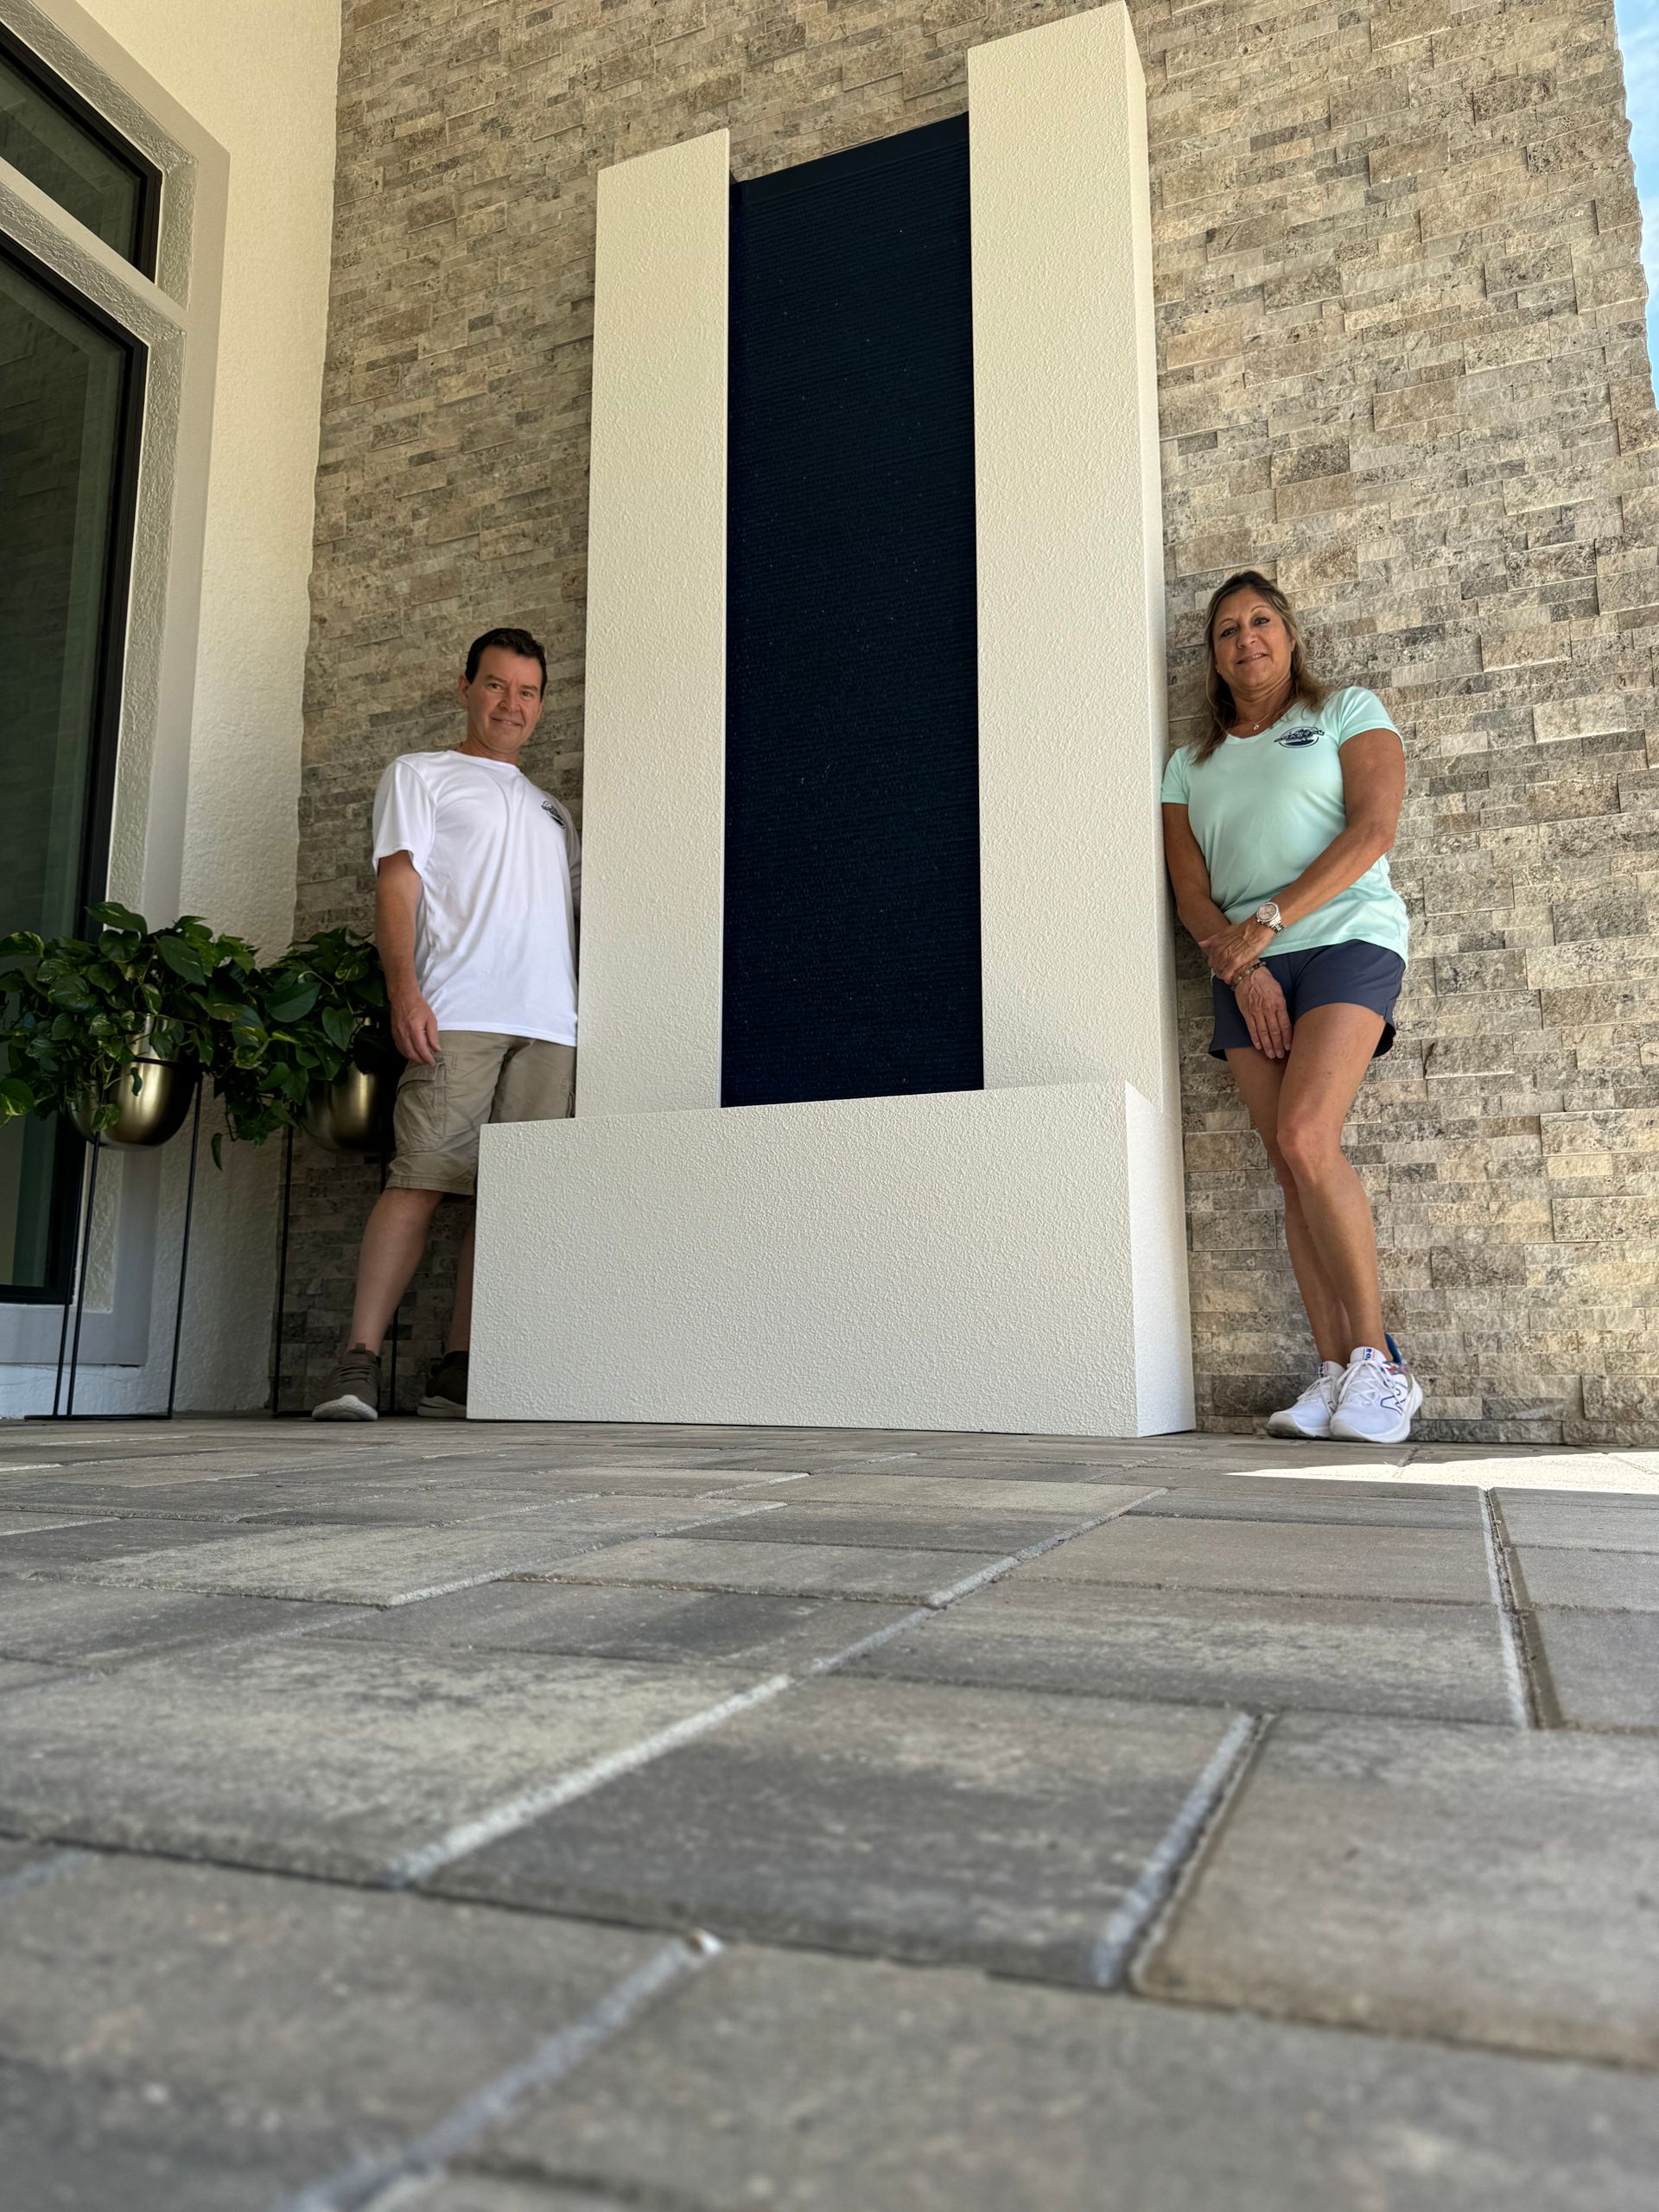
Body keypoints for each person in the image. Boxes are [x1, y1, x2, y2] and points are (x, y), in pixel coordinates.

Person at [1160, 571, 1420, 1445]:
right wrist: (1241, 965)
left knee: (1310, 1136)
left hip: (1346, 935)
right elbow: (1190, 891)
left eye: (1261, 620)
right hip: (1244, 969)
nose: (1246, 638)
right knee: (1286, 1163)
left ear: (1290, 632)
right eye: (1227, 629)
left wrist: (1270, 922)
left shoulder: (1348, 709)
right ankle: (1336, 1371)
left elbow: (1372, 832)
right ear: (1214, 656)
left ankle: (1382, 1365)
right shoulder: (1188, 764)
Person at [312, 626, 579, 1420]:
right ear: (465, 687)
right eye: (496, 685)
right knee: (421, 1178)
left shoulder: (553, 810)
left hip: (551, 1029)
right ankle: (357, 1361)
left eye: (527, 691)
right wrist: (405, 993)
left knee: (510, 1200)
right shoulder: (420, 776)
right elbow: (397, 887)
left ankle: (459, 1369)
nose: (511, 703)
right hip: (457, 1012)